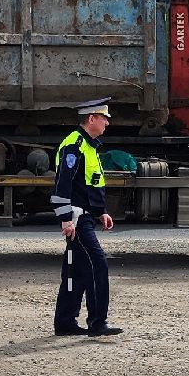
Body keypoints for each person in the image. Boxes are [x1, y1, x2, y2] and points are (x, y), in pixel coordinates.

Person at [51, 98, 121, 336]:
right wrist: (66, 218)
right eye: (104, 118)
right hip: (77, 219)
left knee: (74, 271)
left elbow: (90, 183)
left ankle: (65, 322)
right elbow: (63, 185)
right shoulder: (75, 145)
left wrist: (101, 211)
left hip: (86, 216)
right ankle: (97, 322)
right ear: (91, 119)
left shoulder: (88, 146)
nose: (107, 124)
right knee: (97, 264)